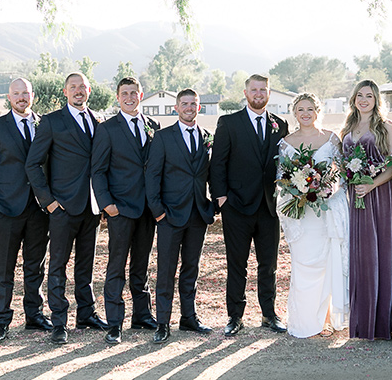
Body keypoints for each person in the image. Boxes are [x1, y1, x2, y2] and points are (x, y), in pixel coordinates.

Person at [25, 72, 108, 345]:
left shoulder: (99, 121)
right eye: (73, 87)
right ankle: (59, 321)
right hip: (62, 207)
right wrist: (48, 201)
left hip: (92, 206)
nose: (78, 91)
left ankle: (87, 314)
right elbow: (33, 164)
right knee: (57, 265)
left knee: (86, 265)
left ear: (89, 90)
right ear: (65, 91)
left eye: (82, 87)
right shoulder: (51, 121)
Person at [209, 74, 290, 336]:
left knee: (269, 264)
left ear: (269, 93)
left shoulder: (281, 125)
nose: (258, 94)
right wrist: (221, 198)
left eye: (263, 90)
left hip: (269, 207)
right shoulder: (229, 122)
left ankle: (269, 314)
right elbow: (217, 163)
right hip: (237, 207)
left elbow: (284, 164)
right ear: (245, 93)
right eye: (254, 90)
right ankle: (235, 316)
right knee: (237, 264)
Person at [0, 77, 52, 344]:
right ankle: (2, 321)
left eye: (26, 93)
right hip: (5, 209)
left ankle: (35, 316)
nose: (22, 97)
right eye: (17, 94)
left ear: (33, 95)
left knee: (36, 267)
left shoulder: (46, 124)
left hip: (39, 210)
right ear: (10, 97)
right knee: (4, 269)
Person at [91, 77, 160, 344]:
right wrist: (107, 205)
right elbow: (98, 171)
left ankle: (142, 315)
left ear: (141, 95)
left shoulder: (153, 126)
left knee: (141, 266)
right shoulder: (107, 129)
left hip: (147, 209)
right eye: (124, 93)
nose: (129, 97)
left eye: (134, 92)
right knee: (116, 266)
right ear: (117, 97)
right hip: (120, 209)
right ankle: (114, 323)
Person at [145, 89, 215, 344]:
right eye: (184, 104)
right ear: (176, 107)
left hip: (198, 214)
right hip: (169, 215)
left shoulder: (206, 136)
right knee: (166, 270)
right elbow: (152, 176)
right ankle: (163, 322)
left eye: (193, 104)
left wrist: (213, 205)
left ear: (199, 107)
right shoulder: (163, 137)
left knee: (191, 269)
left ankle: (189, 318)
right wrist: (158, 211)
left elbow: (210, 173)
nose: (189, 107)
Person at [277, 93, 349, 338]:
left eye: (310, 109)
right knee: (303, 263)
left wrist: (327, 188)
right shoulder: (286, 142)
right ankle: (305, 321)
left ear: (318, 112)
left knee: (327, 263)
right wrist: (297, 190)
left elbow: (342, 172)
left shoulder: (331, 139)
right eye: (300, 109)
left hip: (325, 210)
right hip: (301, 212)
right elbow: (281, 178)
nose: (305, 113)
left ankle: (327, 319)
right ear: (294, 113)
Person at [340, 79, 392, 341]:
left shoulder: (386, 127)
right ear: (354, 99)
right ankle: (361, 321)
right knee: (361, 254)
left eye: (369, 96)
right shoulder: (347, 128)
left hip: (380, 196)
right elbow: (342, 164)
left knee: (380, 251)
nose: (364, 100)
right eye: (360, 95)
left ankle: (381, 322)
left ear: (377, 100)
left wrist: (371, 184)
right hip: (355, 197)